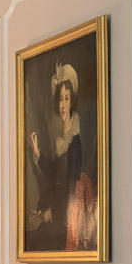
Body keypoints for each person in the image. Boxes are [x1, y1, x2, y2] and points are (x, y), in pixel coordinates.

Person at [25, 63, 97, 252]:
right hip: (58, 209)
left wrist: (51, 214)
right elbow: (55, 176)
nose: (63, 105)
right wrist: (38, 155)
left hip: (68, 216)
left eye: (66, 99)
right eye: (60, 99)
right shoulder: (62, 139)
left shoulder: (75, 142)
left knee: (39, 238)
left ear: (72, 101)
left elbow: (71, 191)